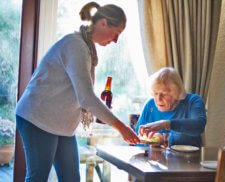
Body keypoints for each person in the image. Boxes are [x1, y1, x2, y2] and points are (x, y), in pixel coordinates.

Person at [15, 2, 139, 181]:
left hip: (60, 124)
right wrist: (122, 127)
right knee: (37, 178)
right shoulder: (76, 45)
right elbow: (86, 98)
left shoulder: (87, 48)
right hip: (38, 118)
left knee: (71, 178)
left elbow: (82, 94)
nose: (115, 40)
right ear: (103, 23)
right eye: (116, 33)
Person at [136, 67, 207, 148]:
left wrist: (166, 124)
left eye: (164, 94)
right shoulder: (150, 105)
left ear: (176, 93)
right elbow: (138, 140)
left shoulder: (193, 101)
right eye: (156, 93)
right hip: (153, 159)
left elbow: (199, 126)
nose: (158, 99)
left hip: (187, 159)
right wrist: (153, 140)